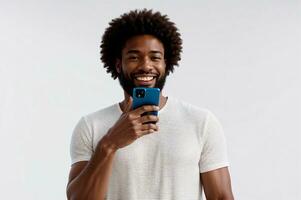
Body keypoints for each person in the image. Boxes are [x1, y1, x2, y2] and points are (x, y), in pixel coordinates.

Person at [66, 9, 234, 200]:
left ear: (166, 64)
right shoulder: (91, 126)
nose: (146, 66)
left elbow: (221, 197)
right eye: (134, 57)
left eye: (155, 57)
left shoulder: (201, 122)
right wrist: (110, 143)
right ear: (119, 64)